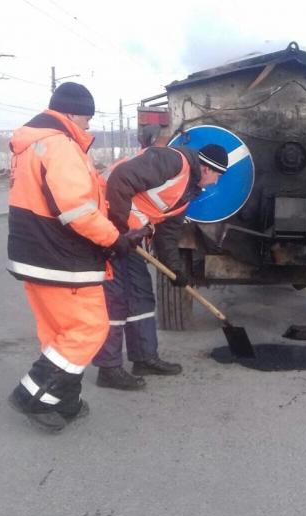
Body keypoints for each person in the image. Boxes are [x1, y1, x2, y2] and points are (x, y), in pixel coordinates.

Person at [6, 82, 138, 431]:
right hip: (63, 259)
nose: (89, 127)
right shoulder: (60, 146)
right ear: (69, 113)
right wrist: (114, 239)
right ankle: (30, 395)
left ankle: (63, 399)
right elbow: (77, 210)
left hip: (35, 255)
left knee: (59, 333)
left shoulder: (30, 145)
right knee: (89, 330)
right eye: (86, 119)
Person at [91, 137, 229, 390]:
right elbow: (120, 179)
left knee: (141, 296)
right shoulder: (173, 162)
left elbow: (168, 234)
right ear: (207, 168)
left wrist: (175, 270)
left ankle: (144, 358)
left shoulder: (187, 193)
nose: (215, 183)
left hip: (125, 239)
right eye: (218, 175)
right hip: (106, 229)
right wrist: (120, 234)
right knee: (117, 300)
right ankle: (108, 368)